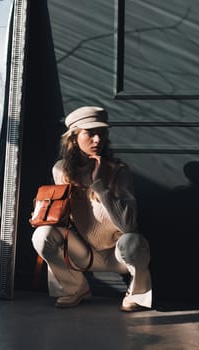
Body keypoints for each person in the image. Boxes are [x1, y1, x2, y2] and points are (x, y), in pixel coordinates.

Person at [32, 106, 152, 311]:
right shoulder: (60, 170)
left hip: (118, 255)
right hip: (84, 254)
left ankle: (137, 295)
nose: (98, 140)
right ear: (74, 137)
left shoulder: (118, 171)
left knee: (134, 241)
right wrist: (43, 214)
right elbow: (63, 218)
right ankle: (75, 288)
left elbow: (128, 225)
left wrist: (100, 186)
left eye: (102, 134)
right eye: (91, 133)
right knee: (41, 235)